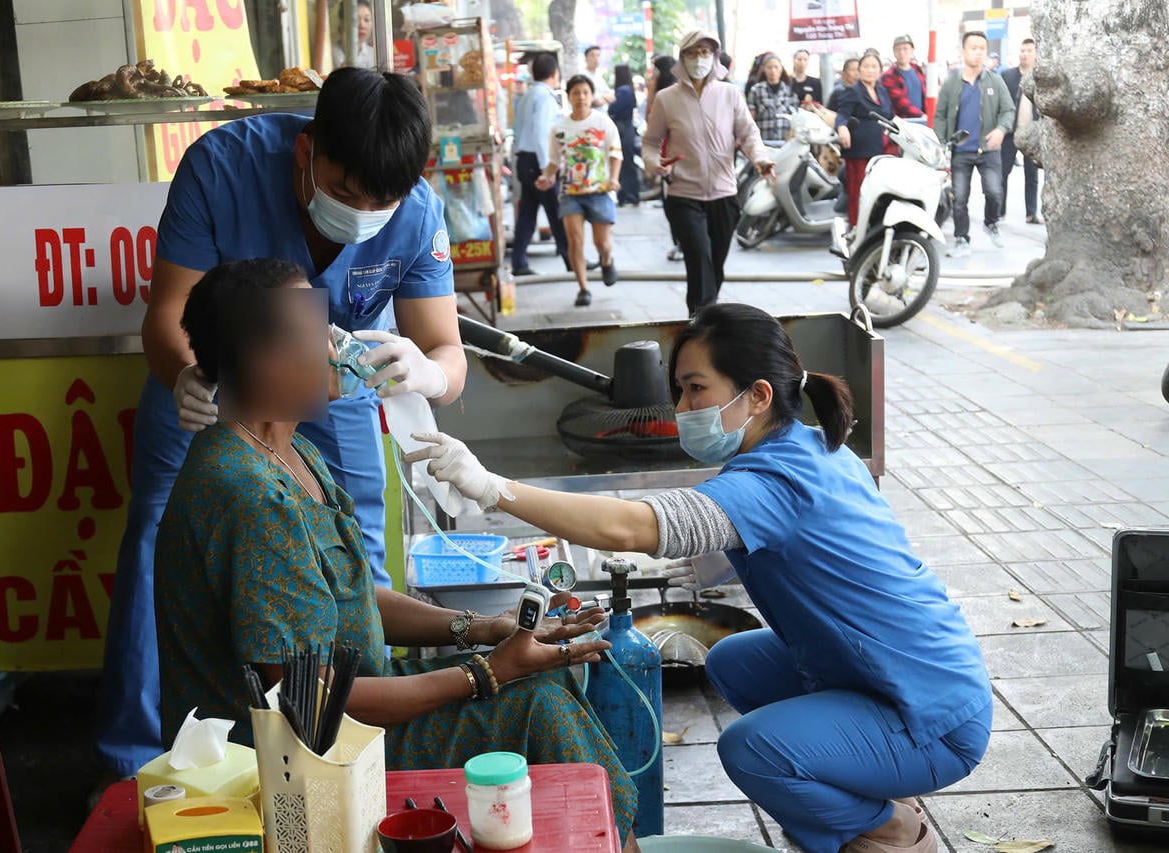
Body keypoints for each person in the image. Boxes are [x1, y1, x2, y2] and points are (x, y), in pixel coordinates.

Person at [405, 302, 991, 853]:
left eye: (695, 389)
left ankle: (887, 827)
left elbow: (632, 529)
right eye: (679, 390)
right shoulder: (809, 446)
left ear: (757, 395)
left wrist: (494, 488)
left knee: (754, 750)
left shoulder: (777, 480)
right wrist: (712, 556)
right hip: (891, 669)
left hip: (933, 714)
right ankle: (856, 779)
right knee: (734, 661)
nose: (682, 410)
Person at [156, 257, 638, 848]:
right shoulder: (251, 500)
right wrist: (489, 671)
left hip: (352, 711)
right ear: (263, 361)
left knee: (549, 684)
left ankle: (606, 837)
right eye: (318, 334)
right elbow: (310, 710)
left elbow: (351, 596)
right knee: (535, 706)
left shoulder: (290, 452)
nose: (342, 348)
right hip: (294, 768)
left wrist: (484, 627)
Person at [92, 68, 467, 789]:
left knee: (353, 550)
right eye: (348, 196)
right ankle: (140, 765)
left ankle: (358, 742)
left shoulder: (416, 211)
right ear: (306, 154)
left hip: (340, 389)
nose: (363, 214)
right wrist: (185, 376)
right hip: (209, 381)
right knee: (160, 540)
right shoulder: (222, 166)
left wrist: (426, 371)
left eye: (379, 206)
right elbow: (167, 313)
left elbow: (447, 353)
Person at [643, 31, 774, 316]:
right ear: (682, 58)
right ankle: (701, 321)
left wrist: (760, 159)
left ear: (714, 58)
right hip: (683, 194)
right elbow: (651, 143)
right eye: (692, 53)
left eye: (705, 53)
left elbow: (748, 133)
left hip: (724, 194)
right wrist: (655, 164)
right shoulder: (667, 99)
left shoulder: (729, 94)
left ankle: (704, 315)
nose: (699, 59)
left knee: (714, 265)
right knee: (698, 255)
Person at [538, 75, 622, 306]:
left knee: (601, 243)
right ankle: (583, 288)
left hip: (600, 191)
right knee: (574, 241)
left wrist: (614, 179)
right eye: (576, 92)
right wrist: (546, 176)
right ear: (569, 96)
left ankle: (606, 260)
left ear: (591, 95)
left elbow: (616, 154)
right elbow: (554, 162)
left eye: (585, 92)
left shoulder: (603, 123)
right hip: (570, 193)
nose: (581, 97)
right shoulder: (559, 128)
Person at [933, 31, 1015, 257]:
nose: (978, 52)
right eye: (973, 48)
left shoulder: (995, 81)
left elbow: (1008, 110)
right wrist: (941, 143)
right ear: (963, 51)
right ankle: (962, 238)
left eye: (982, 48)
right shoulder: (951, 83)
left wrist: (1000, 130)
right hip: (960, 150)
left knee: (994, 192)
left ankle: (991, 223)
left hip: (988, 150)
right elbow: (939, 116)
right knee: (959, 198)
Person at [509, 53, 569, 277]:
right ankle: (572, 259)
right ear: (555, 74)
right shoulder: (544, 97)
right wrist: (548, 168)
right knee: (556, 211)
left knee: (528, 212)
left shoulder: (527, 95)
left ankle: (518, 261)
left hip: (525, 159)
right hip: (538, 161)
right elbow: (542, 133)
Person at [835, 53, 895, 228]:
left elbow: (890, 116)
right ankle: (856, 229)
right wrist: (842, 127)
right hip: (859, 150)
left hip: (881, 151)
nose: (870, 70)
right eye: (866, 67)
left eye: (873, 67)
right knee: (858, 193)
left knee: (878, 194)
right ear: (859, 70)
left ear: (880, 71)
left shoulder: (882, 91)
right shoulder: (852, 91)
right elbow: (842, 115)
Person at [999, 38, 1042, 224]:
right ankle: (999, 211)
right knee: (1002, 172)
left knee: (1031, 176)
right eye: (1022, 50)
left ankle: (1031, 213)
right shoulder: (1008, 76)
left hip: (1032, 134)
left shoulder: (1041, 78)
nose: (1024, 54)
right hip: (1010, 132)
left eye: (1029, 51)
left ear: (1036, 54)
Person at [648, 53, 683, 262]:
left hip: (673, 157)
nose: (651, 75)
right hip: (664, 157)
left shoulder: (669, 98)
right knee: (670, 203)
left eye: (655, 71)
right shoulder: (660, 96)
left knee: (674, 204)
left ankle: (682, 243)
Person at [747, 53, 799, 144]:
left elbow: (795, 117)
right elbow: (751, 117)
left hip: (785, 141)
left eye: (776, 67)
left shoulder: (790, 91)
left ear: (781, 69)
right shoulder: (756, 90)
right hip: (764, 140)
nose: (773, 71)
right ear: (764, 70)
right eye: (769, 67)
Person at [609, 64, 642, 207]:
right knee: (629, 164)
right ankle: (632, 195)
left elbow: (612, 108)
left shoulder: (622, 91)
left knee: (623, 164)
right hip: (627, 129)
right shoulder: (629, 90)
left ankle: (625, 195)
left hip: (622, 130)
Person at [880, 34, 927, 121]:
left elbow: (925, 96)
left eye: (905, 49)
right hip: (903, 124)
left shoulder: (917, 70)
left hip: (923, 122)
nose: (902, 53)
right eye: (898, 49)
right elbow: (900, 102)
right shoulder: (889, 76)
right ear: (894, 52)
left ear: (912, 50)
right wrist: (921, 116)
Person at [332, 0, 375, 70]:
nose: (362, 25)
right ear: (342, 22)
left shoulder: (374, 55)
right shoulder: (330, 54)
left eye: (366, 19)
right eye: (355, 19)